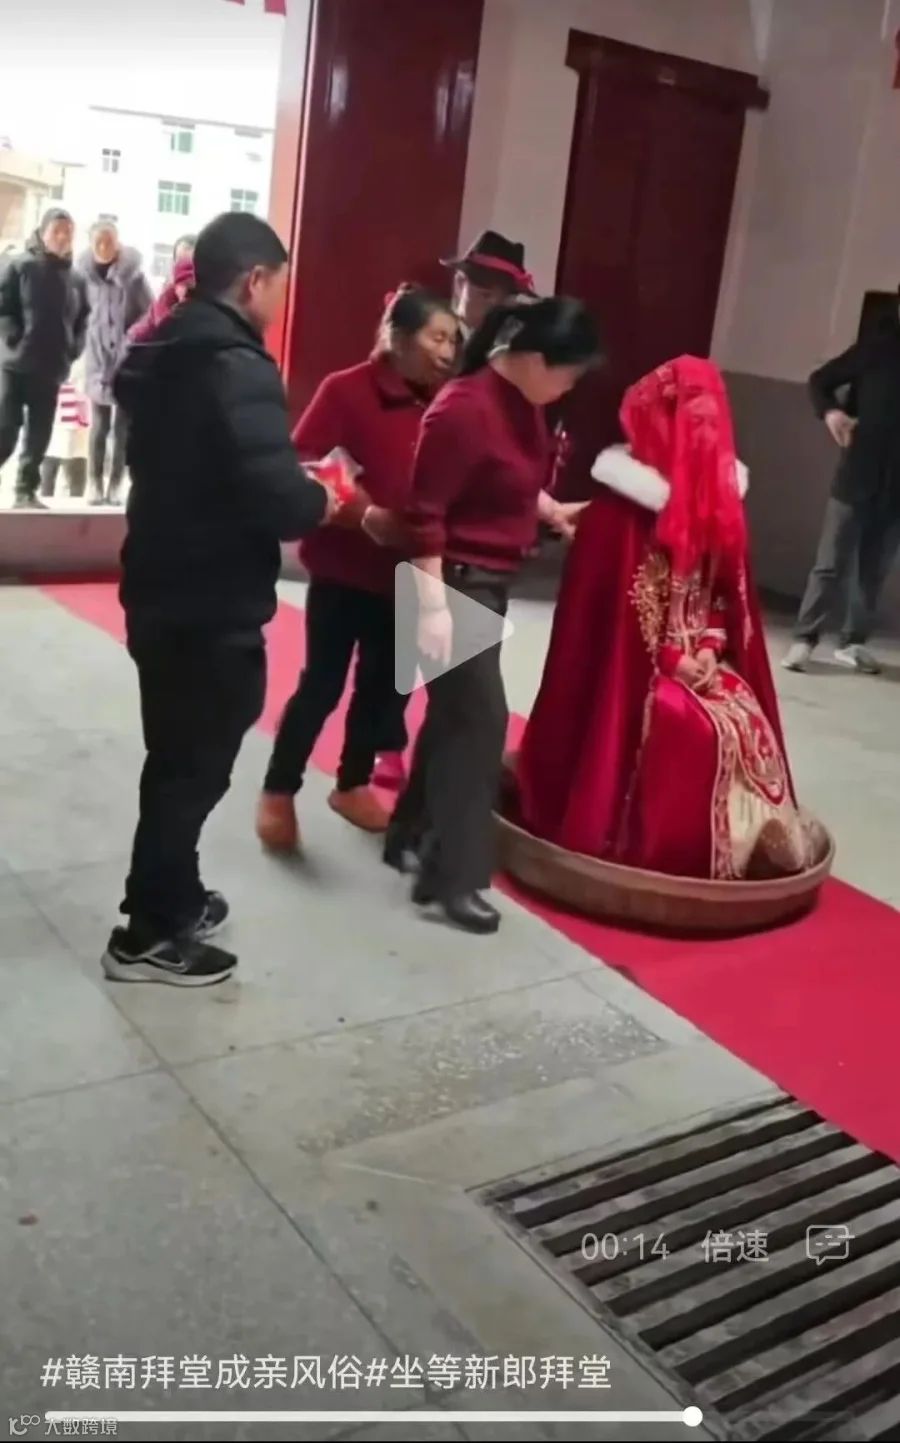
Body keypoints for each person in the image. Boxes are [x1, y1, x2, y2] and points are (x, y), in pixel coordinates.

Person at [102, 211, 337, 988]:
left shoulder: (164, 347)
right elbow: (280, 501)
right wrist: (326, 496)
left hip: (162, 581)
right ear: (255, 280)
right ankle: (147, 934)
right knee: (191, 767)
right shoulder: (235, 365)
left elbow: (215, 465)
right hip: (209, 600)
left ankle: (171, 893)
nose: (282, 298)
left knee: (177, 756)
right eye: (282, 284)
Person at [515, 357, 817, 883]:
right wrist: (674, 660)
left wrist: (709, 648)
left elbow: (721, 594)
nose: (701, 430)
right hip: (646, 673)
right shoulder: (619, 513)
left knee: (745, 716)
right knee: (692, 728)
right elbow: (616, 619)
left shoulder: (715, 501)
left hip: (700, 657)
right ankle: (667, 850)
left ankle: (743, 847)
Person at [384, 295, 601, 934]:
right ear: (533, 358)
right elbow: (425, 516)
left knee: (455, 720)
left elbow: (508, 476)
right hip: (448, 583)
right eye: (568, 374)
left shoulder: (519, 403)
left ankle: (409, 833)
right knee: (480, 728)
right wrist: (431, 608)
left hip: (486, 582)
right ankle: (450, 878)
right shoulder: (463, 407)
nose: (569, 387)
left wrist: (549, 510)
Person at [256, 284, 458, 847]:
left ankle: (352, 783)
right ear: (398, 337)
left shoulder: (446, 402)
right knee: (321, 685)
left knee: (382, 688)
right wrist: (365, 513)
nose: (448, 351)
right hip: (344, 570)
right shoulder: (346, 389)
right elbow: (306, 461)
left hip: (407, 574)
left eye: (453, 340)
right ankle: (278, 789)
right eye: (437, 337)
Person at [783, 311, 900, 675]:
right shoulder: (875, 350)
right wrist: (831, 413)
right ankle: (805, 638)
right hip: (857, 476)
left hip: (897, 490)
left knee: (873, 571)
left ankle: (852, 642)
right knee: (830, 564)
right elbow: (820, 381)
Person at [0, 208, 89, 508]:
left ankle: (25, 490)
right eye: (56, 231)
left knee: (39, 434)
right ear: (42, 233)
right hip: (15, 364)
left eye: (68, 232)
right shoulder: (20, 266)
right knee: (6, 428)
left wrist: (73, 348)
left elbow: (83, 319)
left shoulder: (76, 278)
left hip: (51, 367)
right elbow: (3, 308)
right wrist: (13, 337)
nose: (62, 237)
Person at [78, 221, 153, 505]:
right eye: (98, 241)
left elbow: (150, 315)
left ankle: (116, 484)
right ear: (90, 242)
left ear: (117, 241)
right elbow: (75, 313)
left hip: (126, 360)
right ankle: (94, 482)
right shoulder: (82, 277)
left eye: (108, 240)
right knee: (99, 426)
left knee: (122, 427)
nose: (103, 246)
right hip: (97, 360)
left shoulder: (134, 277)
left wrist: (132, 342)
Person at [442, 230, 535, 337]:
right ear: (461, 282)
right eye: (486, 295)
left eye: (505, 300)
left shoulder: (515, 340)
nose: (494, 306)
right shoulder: (439, 333)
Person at [127, 255, 194, 346]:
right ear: (175, 286)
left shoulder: (205, 309)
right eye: (184, 284)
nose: (188, 291)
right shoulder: (162, 304)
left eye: (192, 286)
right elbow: (140, 331)